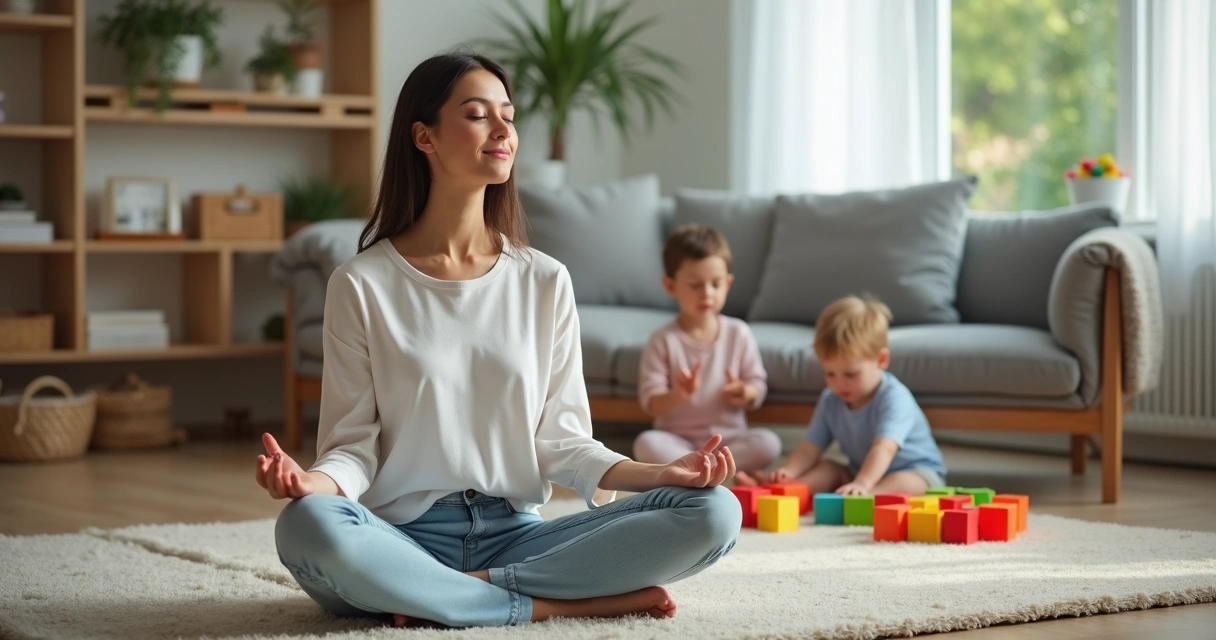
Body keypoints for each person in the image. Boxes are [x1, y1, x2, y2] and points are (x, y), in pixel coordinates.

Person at [253, 53, 740, 629]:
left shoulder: (544, 280)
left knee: (715, 512)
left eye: (508, 115)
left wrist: (658, 475)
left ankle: (445, 596)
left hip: (517, 537)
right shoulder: (361, 284)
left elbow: (562, 443)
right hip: (401, 540)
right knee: (306, 525)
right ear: (424, 136)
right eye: (479, 115)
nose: (504, 130)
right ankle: (550, 603)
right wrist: (312, 483)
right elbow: (354, 446)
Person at [736, 295, 947, 495]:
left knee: (900, 484)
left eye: (850, 374)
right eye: (830, 373)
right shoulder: (830, 399)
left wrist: (863, 484)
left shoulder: (894, 397)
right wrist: (789, 472)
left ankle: (863, 497)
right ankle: (782, 491)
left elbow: (884, 448)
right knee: (828, 467)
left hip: (916, 472)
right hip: (858, 473)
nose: (839, 384)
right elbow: (810, 448)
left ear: (881, 360)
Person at [634, 224, 782, 474]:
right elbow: (651, 403)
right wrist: (677, 395)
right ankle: (717, 472)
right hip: (678, 443)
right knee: (646, 444)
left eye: (715, 284)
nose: (707, 294)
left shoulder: (739, 333)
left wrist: (745, 392)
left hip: (729, 443)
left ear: (728, 283)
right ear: (671, 286)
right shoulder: (662, 340)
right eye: (695, 285)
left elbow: (758, 386)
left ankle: (701, 471)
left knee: (769, 443)